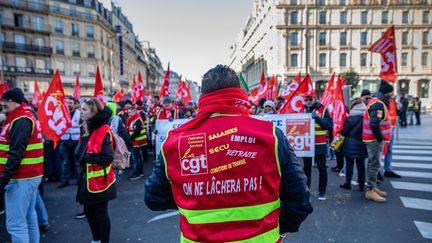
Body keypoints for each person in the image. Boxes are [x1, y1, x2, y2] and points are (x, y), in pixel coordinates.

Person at [145, 65, 312, 242]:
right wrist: (282, 227)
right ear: (239, 93)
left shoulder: (174, 142)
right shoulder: (271, 136)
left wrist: (191, 198)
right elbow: (300, 198)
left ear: (203, 97)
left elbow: (154, 198)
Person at [0, 88, 44, 242]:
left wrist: (4, 178)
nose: (2, 104)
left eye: (5, 101)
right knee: (29, 217)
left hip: (21, 177)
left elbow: (16, 152)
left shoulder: (20, 120)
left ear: (13, 101)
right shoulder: (21, 117)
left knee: (16, 224)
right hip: (29, 175)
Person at [75, 98, 116, 243]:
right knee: (89, 211)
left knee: (100, 213)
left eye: (84, 109)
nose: (81, 112)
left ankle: (103, 241)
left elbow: (107, 158)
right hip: (87, 180)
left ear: (94, 112)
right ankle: (96, 239)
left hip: (100, 181)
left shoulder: (102, 130)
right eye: (81, 109)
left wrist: (85, 158)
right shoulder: (87, 127)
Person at [363, 81, 393, 203]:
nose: (392, 94)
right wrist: (381, 138)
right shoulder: (378, 104)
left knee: (373, 163)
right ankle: (370, 190)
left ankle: (373, 187)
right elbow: (374, 124)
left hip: (373, 139)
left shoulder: (377, 102)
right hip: (374, 139)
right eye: (391, 92)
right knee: (374, 164)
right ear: (387, 92)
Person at [302, 89, 333, 200]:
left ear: (314, 99)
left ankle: (322, 191)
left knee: (321, 168)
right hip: (306, 144)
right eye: (306, 99)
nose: (309, 101)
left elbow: (328, 125)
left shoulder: (322, 109)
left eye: (311, 99)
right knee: (306, 169)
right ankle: (306, 190)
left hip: (319, 143)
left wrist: (317, 118)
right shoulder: (301, 109)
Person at [339, 98, 368, 191]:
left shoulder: (349, 118)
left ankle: (348, 183)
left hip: (349, 144)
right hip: (362, 144)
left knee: (349, 164)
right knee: (361, 165)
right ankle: (361, 184)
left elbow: (344, 132)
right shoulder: (366, 118)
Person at [59, 96, 81, 188]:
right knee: (65, 162)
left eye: (70, 103)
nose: (68, 105)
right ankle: (65, 180)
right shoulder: (61, 114)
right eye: (67, 103)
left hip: (76, 140)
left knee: (77, 162)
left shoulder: (79, 113)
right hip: (64, 140)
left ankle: (79, 180)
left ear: (74, 104)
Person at [126, 105, 148, 180]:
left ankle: (137, 173)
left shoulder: (137, 120)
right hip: (135, 142)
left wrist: (130, 139)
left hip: (136, 142)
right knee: (138, 158)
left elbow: (137, 132)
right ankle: (140, 172)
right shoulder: (132, 119)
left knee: (136, 158)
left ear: (134, 112)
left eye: (130, 112)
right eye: (128, 112)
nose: (129, 114)